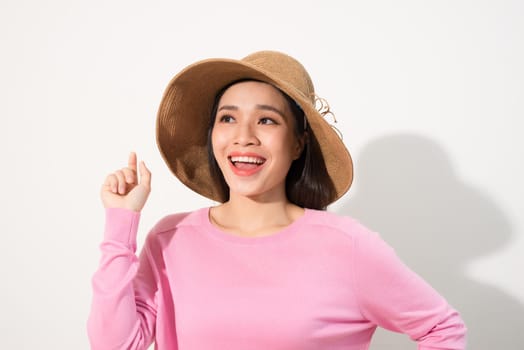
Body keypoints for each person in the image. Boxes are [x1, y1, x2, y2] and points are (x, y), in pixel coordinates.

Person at [87, 51, 467, 349]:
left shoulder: (347, 246)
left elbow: (441, 328)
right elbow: (115, 345)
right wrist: (120, 225)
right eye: (228, 119)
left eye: (266, 120)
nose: (244, 137)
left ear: (299, 142)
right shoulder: (170, 239)